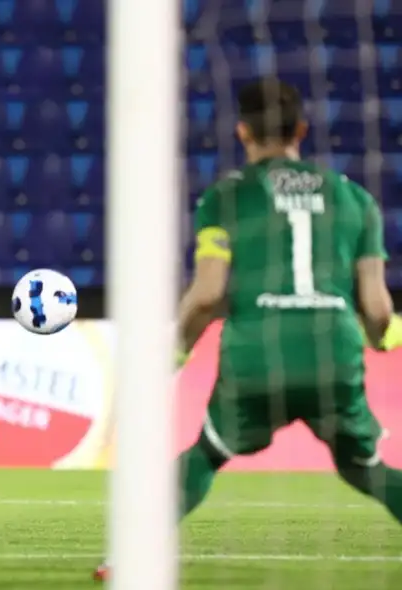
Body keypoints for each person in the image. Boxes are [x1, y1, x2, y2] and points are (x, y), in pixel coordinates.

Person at [95, 78, 402, 581]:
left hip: (257, 352)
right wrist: (376, 336)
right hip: (333, 350)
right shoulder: (356, 199)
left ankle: (128, 559)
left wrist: (177, 351)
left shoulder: (226, 198)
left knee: (207, 453)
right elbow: (377, 306)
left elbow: (209, 292)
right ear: (301, 129)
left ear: (242, 132)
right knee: (366, 468)